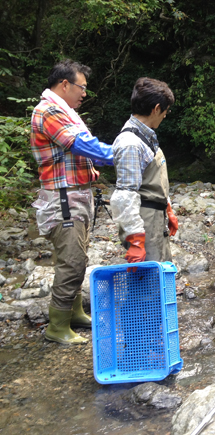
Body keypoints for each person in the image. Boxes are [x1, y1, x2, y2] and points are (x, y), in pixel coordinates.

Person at [30, 59, 114, 345]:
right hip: (63, 199)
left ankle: (75, 313)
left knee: (77, 256)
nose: (84, 93)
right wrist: (122, 153)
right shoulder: (49, 111)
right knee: (72, 261)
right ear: (64, 84)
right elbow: (80, 144)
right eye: (82, 87)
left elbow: (80, 149)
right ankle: (57, 326)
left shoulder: (64, 111)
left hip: (75, 195)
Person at [110, 77, 178, 263]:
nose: (165, 115)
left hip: (156, 216)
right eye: (165, 111)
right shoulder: (130, 143)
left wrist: (168, 209)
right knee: (148, 279)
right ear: (156, 109)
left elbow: (152, 181)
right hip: (144, 221)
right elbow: (125, 195)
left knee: (161, 271)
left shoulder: (146, 136)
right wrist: (136, 241)